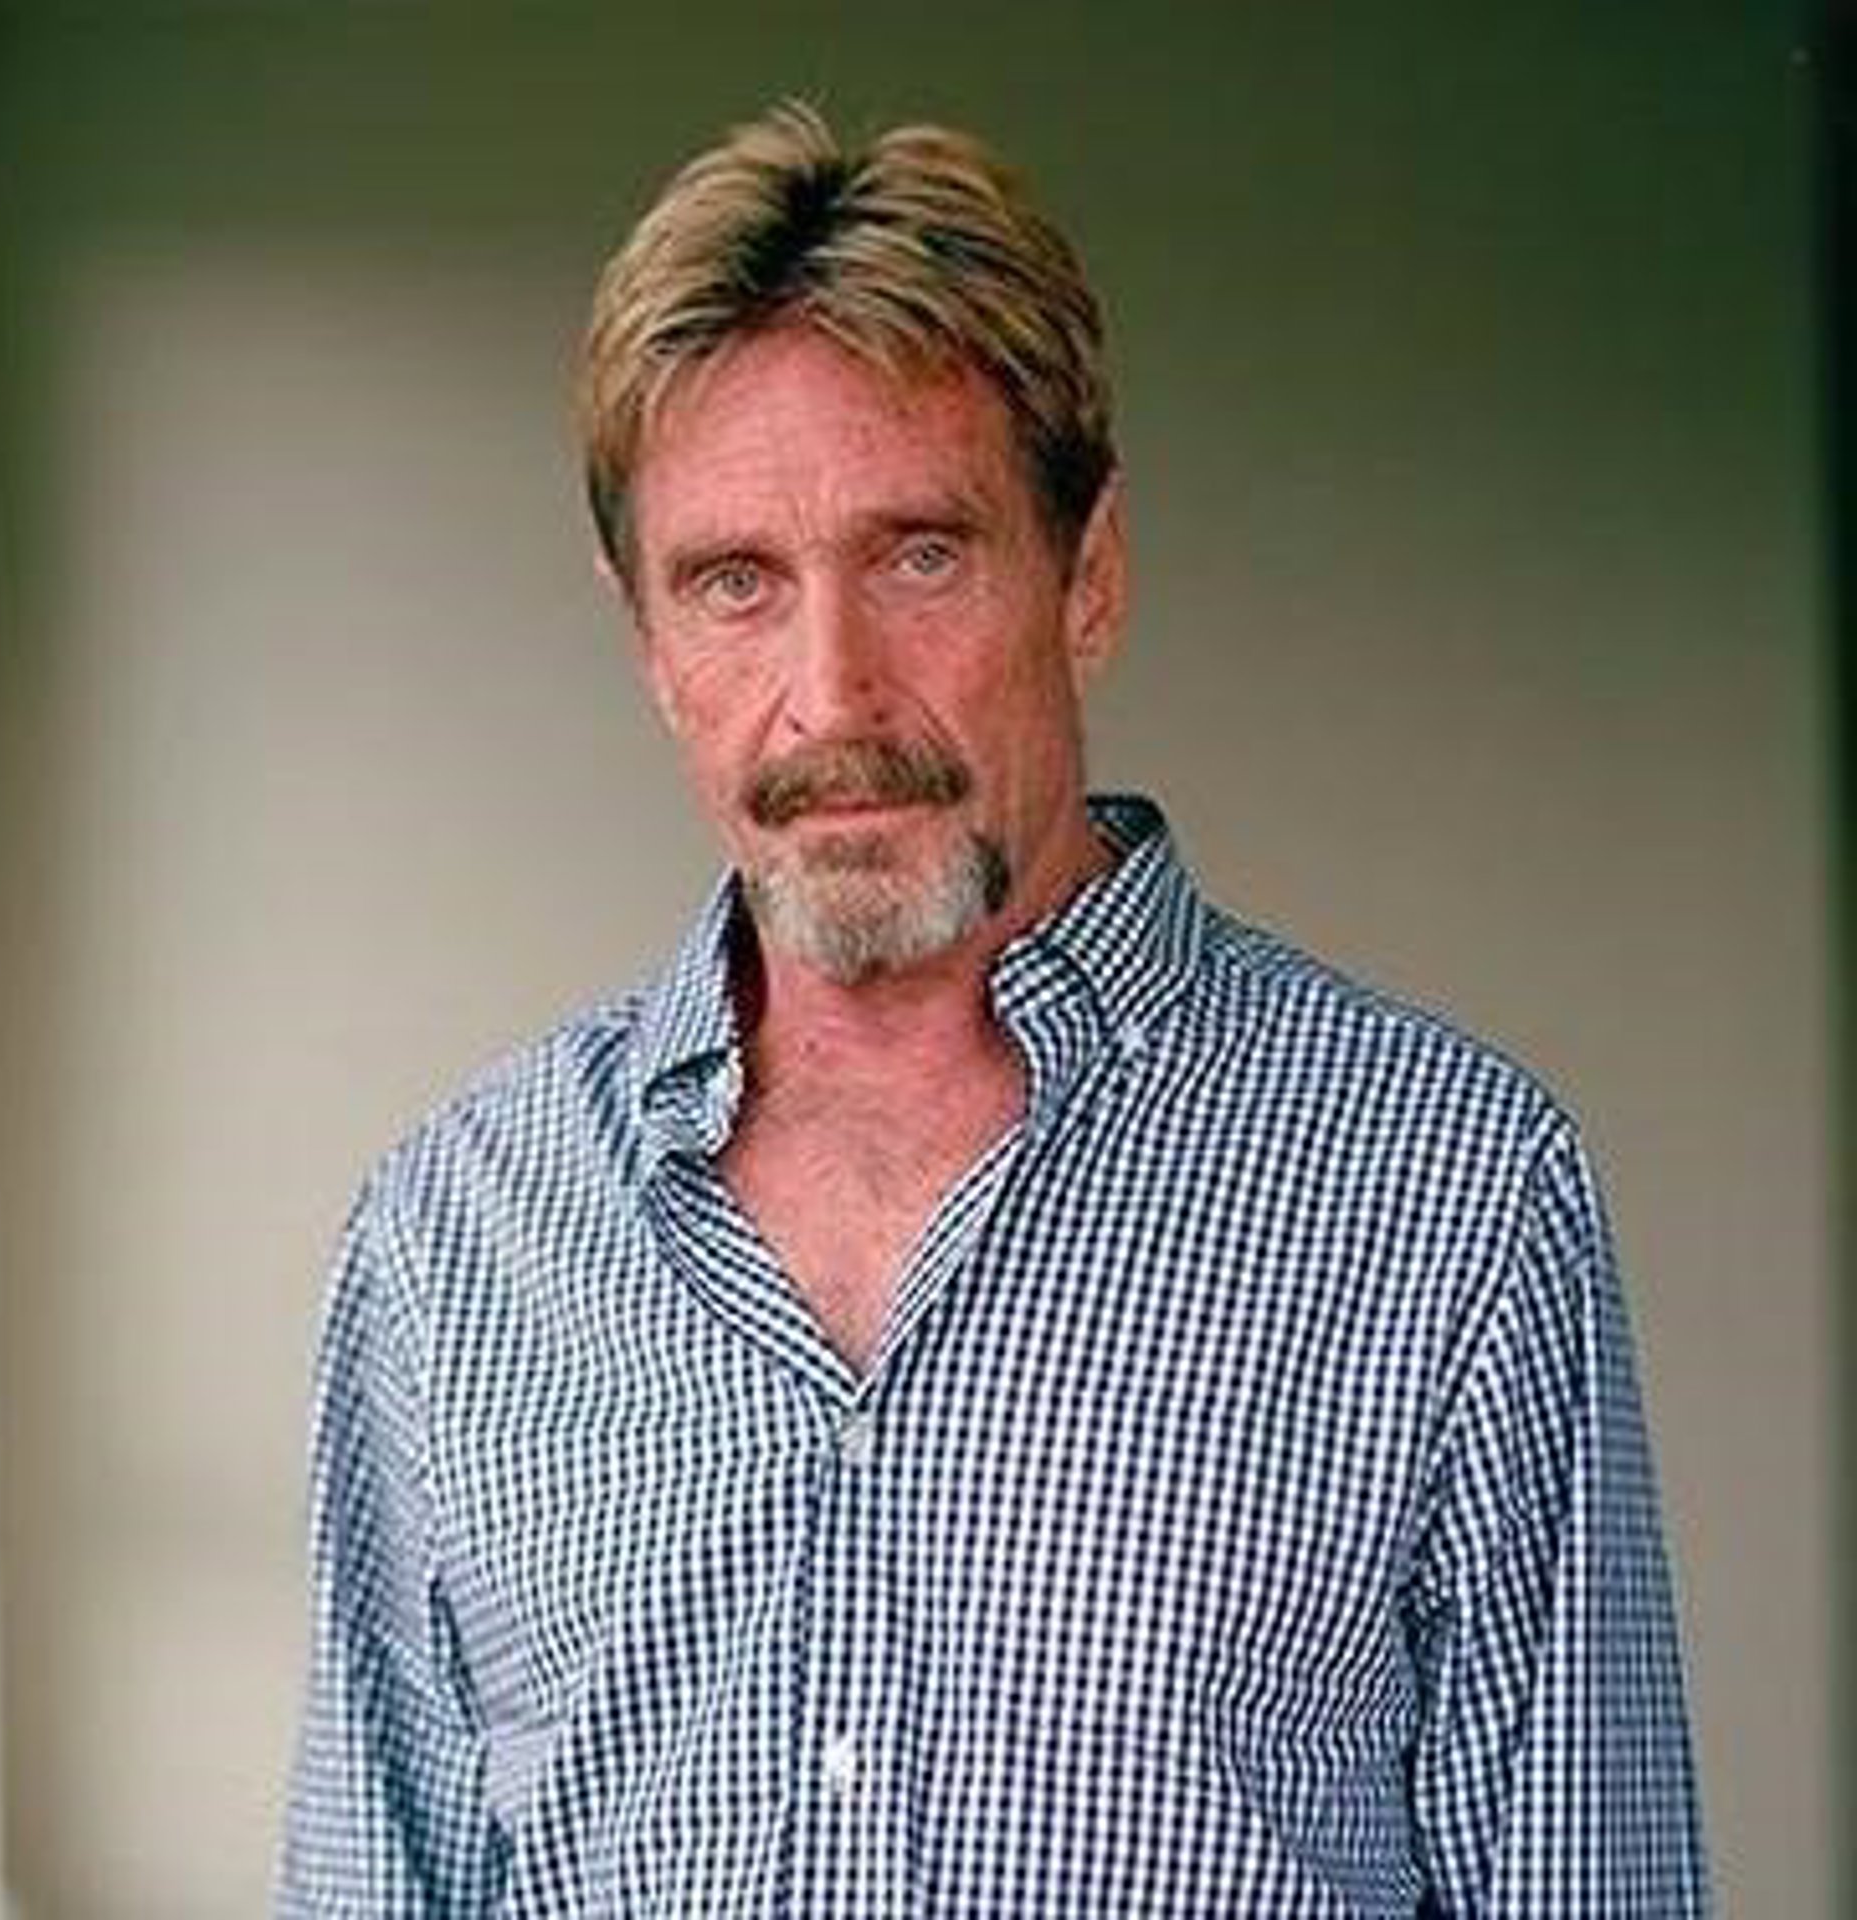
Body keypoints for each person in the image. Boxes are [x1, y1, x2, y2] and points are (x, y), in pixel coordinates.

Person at [277, 101, 1708, 1916]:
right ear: (649, 643)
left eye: (921, 555)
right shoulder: (450, 1243)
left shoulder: (1458, 1199)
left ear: (1086, 577)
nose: (832, 695)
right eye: (736, 584)